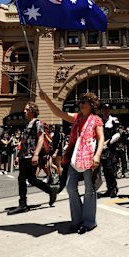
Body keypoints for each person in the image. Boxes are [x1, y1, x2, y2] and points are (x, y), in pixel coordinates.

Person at [40, 90, 104, 234]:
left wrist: (97, 156)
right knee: (70, 187)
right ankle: (77, 219)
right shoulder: (77, 118)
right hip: (74, 156)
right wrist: (47, 99)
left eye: (84, 102)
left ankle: (89, 221)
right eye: (80, 102)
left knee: (89, 189)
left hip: (88, 156)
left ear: (91, 105)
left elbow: (101, 139)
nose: (81, 104)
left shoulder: (96, 120)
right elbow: (59, 113)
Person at [7, 102, 59, 215]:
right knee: (31, 179)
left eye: (27, 109)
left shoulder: (37, 123)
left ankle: (23, 204)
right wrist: (18, 156)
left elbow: (41, 139)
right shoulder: (27, 124)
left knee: (22, 178)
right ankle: (51, 190)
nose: (24, 112)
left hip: (31, 156)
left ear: (32, 111)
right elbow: (24, 142)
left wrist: (36, 154)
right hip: (24, 156)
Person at [99, 104, 120, 198]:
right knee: (105, 169)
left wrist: (107, 143)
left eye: (107, 109)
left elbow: (117, 134)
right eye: (104, 109)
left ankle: (114, 187)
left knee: (109, 167)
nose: (106, 111)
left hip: (111, 148)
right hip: (101, 148)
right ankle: (109, 188)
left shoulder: (113, 120)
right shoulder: (100, 121)